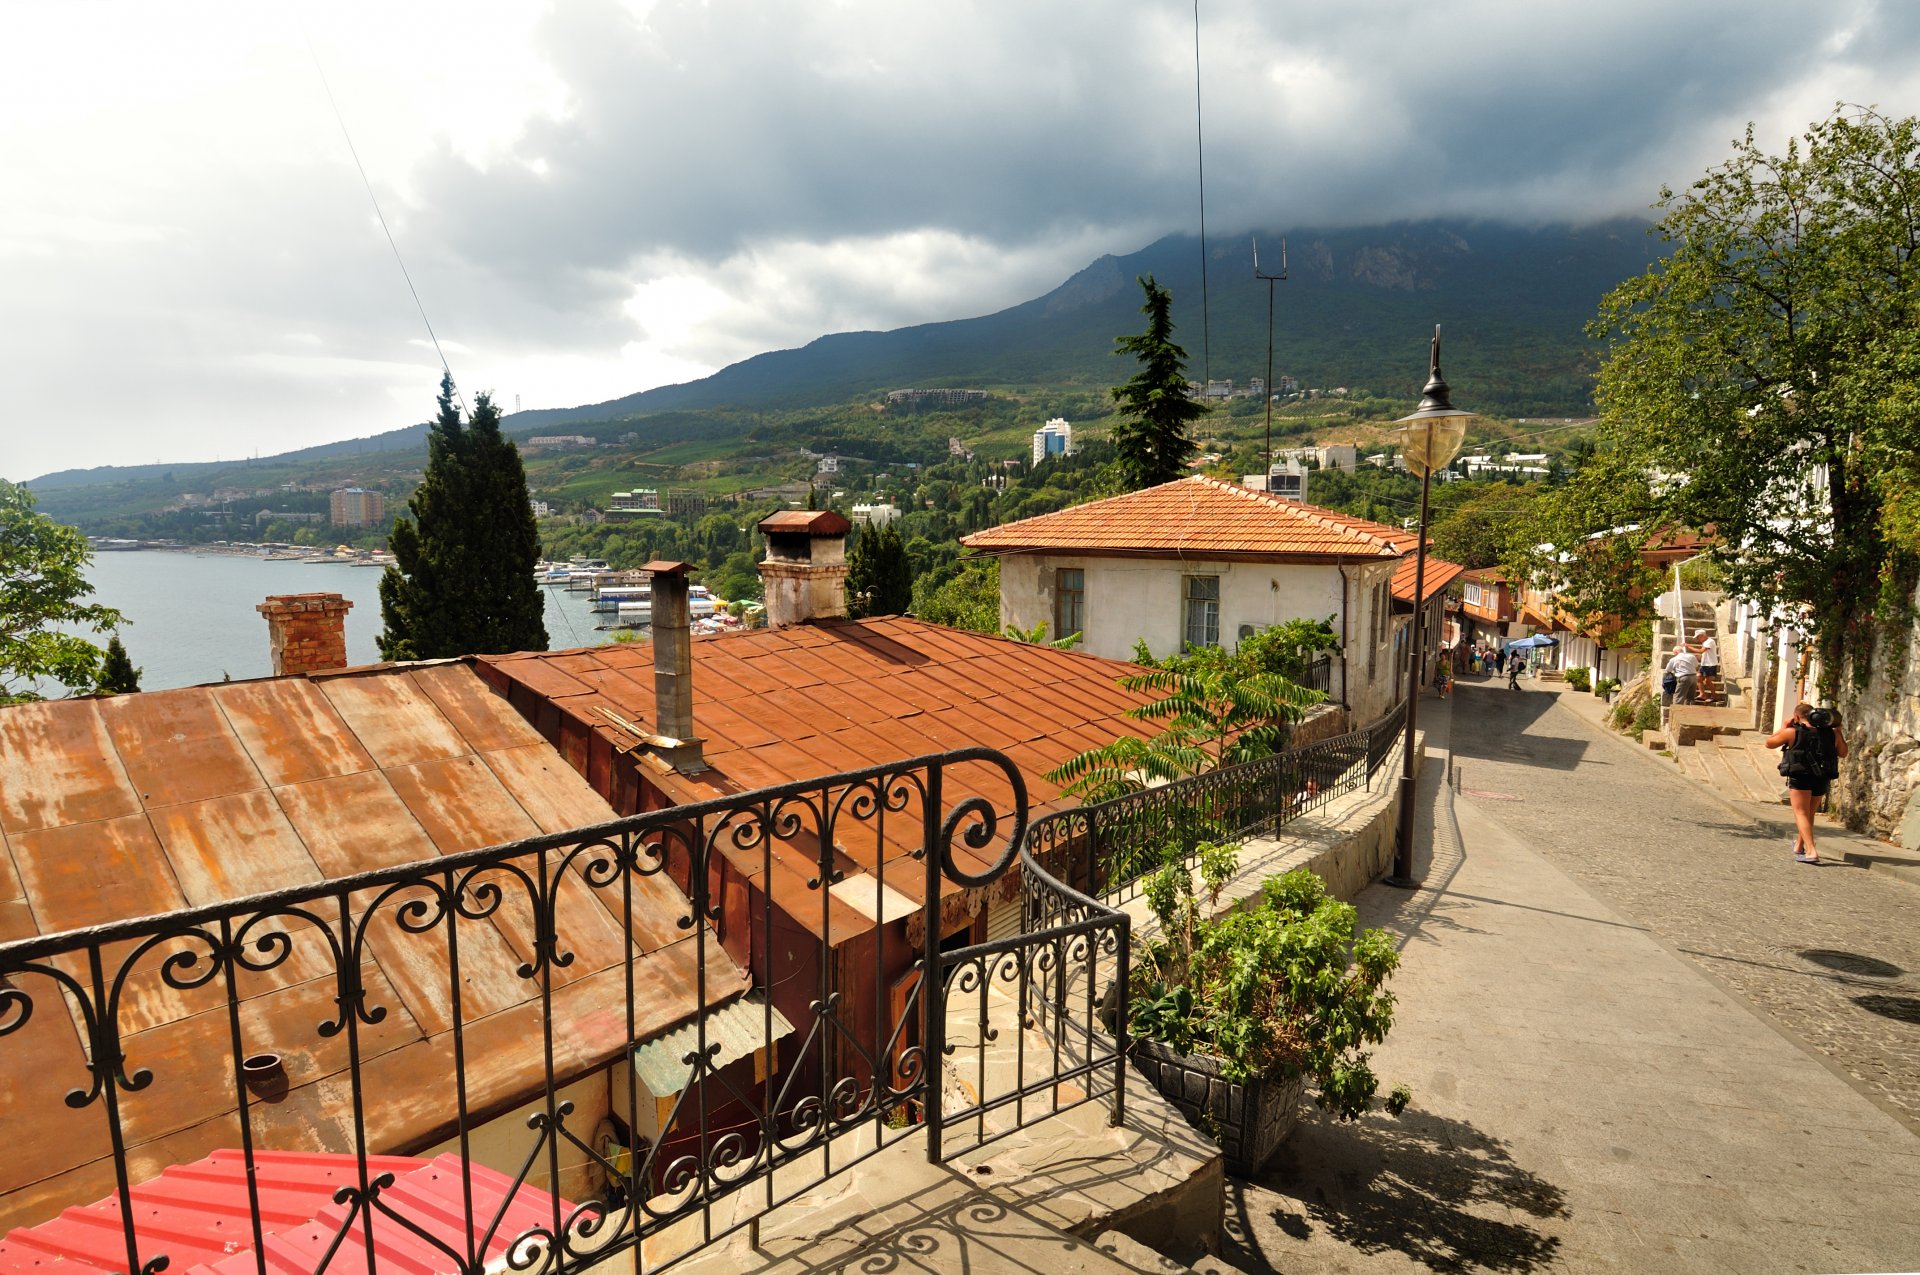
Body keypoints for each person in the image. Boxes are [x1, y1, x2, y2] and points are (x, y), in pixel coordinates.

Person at [1765, 703, 1847, 863]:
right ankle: (1799, 845)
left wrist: (1784, 727)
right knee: (1809, 813)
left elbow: (1769, 743)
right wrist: (1839, 732)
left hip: (1800, 776)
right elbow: (1843, 753)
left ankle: (1811, 850)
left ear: (1797, 717)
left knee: (1800, 813)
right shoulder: (1830, 733)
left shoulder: (1792, 732)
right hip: (1822, 777)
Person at [1663, 643, 1699, 708]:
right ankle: (1690, 712)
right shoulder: (1691, 656)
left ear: (1676, 652)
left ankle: (1676, 713)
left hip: (1684, 677)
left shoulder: (1674, 659)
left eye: (1674, 653)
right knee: (1690, 698)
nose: (1673, 654)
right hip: (1694, 677)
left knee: (1678, 697)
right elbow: (1696, 665)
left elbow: (1668, 670)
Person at [1692, 631, 1720, 703]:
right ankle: (1702, 694)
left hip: (1710, 664)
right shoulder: (1705, 642)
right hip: (1704, 664)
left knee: (1708, 681)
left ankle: (1714, 696)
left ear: (1702, 635)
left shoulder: (1710, 641)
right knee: (1699, 678)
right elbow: (1705, 653)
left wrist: (1688, 646)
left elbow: (1701, 651)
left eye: (1698, 637)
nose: (1698, 639)